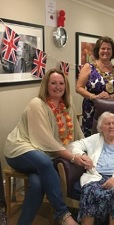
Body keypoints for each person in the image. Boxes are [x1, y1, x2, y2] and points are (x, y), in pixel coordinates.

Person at [3, 69, 91, 225]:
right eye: (53, 83)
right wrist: (72, 157)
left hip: (42, 154)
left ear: (66, 86)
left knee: (37, 184)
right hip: (20, 148)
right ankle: (63, 214)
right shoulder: (37, 104)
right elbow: (45, 141)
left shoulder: (68, 103)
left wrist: (86, 151)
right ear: (46, 85)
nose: (58, 87)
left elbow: (76, 131)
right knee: (45, 162)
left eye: (61, 83)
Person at [68, 111, 114, 225]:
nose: (111, 126)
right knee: (89, 191)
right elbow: (73, 146)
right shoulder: (95, 138)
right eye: (107, 124)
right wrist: (83, 155)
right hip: (96, 176)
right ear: (100, 127)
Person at [76, 36, 114, 137]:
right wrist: (93, 96)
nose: (105, 51)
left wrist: (110, 97)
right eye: (103, 48)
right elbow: (79, 87)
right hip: (91, 109)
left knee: (110, 135)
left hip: (111, 108)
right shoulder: (89, 67)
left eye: (108, 49)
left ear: (112, 51)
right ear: (98, 50)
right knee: (91, 136)